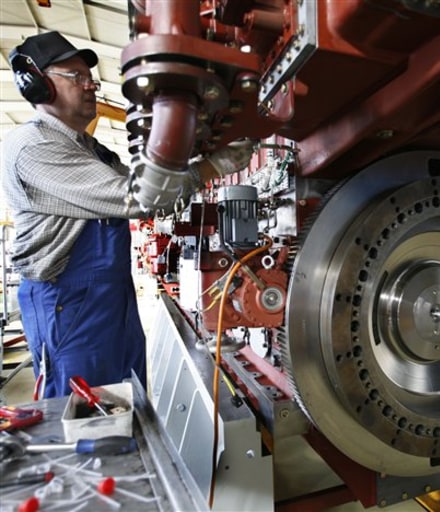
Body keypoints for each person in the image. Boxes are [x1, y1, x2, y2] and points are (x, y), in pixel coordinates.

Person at [1, 31, 253, 398]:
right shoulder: (34, 146)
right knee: (85, 410)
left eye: (90, 76)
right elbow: (141, 199)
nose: (91, 85)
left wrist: (193, 163)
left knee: (127, 400)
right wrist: (211, 168)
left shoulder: (90, 149)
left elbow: (154, 190)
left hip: (110, 298)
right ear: (38, 85)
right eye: (76, 76)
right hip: (66, 304)